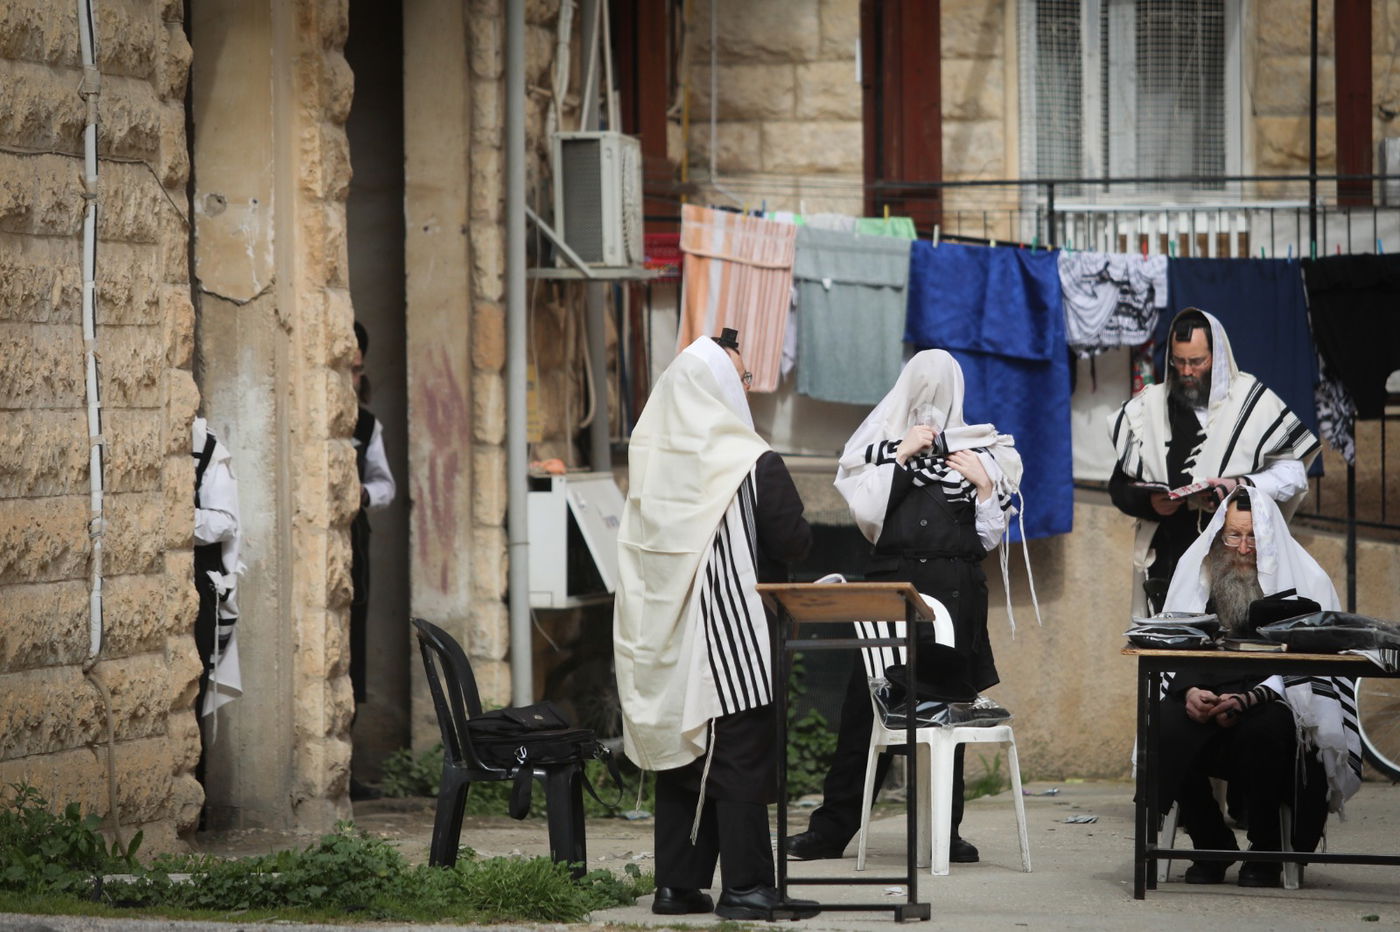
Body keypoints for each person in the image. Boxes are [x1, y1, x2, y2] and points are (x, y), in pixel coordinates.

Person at [613, 328, 820, 921]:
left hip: (662, 633)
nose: (748, 388)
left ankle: (677, 887)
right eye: (743, 378)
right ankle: (748, 886)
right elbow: (795, 540)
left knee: (684, 753)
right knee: (740, 752)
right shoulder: (749, 460)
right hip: (731, 637)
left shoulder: (649, 457)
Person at [787, 349, 1023, 865]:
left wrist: (984, 486)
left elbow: (987, 536)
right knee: (863, 710)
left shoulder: (985, 449)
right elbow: (867, 514)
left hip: (956, 596)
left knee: (948, 717)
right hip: (891, 593)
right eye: (922, 389)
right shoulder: (874, 447)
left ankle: (945, 831)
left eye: (941, 390)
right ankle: (830, 831)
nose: (931, 401)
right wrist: (900, 453)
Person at [1156, 487, 1361, 888]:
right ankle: (1210, 843)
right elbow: (1177, 643)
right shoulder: (1198, 570)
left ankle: (1266, 849)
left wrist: (1251, 697)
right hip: (1206, 687)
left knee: (1265, 730)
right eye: (1234, 536)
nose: (1244, 548)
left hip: (1275, 693)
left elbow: (1314, 668)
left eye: (1254, 538)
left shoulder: (1306, 577)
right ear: (1219, 534)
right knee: (1163, 724)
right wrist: (1189, 693)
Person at [1108, 308, 1320, 615]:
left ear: (1217, 357)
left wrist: (1242, 486)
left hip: (1237, 561)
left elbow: (1294, 474)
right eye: (1179, 361)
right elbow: (1119, 486)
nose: (1187, 371)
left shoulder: (1253, 401)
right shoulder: (1149, 409)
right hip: (1170, 560)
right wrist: (1149, 502)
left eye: (1197, 362)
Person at [350, 321, 396, 800]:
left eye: (357, 372)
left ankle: (345, 763)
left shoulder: (367, 425)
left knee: (351, 654)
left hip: (353, 549)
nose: (351, 381)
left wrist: (362, 493)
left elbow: (386, 484)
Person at [192, 417, 244, 785]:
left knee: (193, 690)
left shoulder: (206, 445)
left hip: (198, 585)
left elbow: (224, 522)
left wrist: (170, 518)